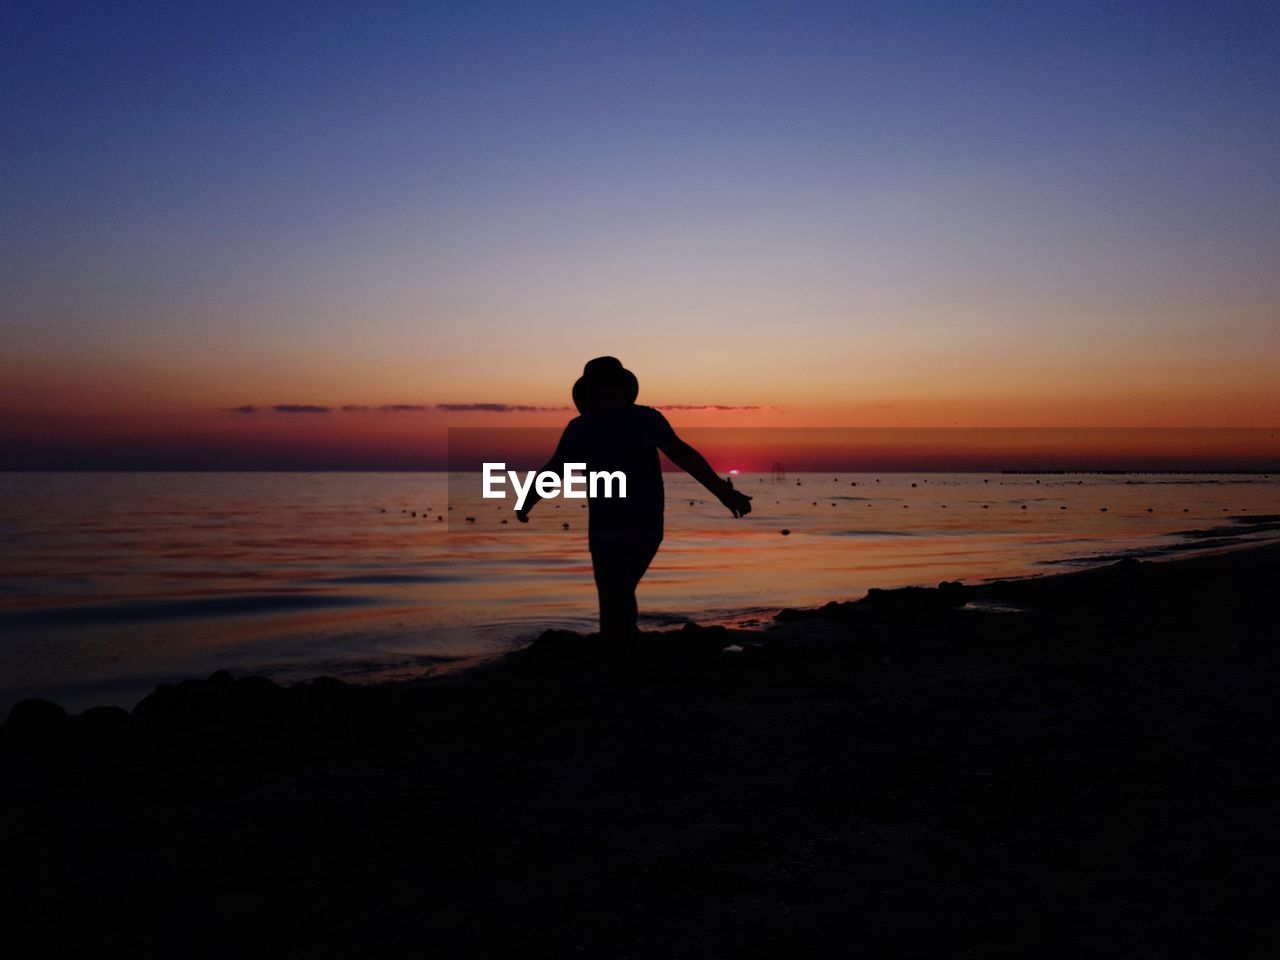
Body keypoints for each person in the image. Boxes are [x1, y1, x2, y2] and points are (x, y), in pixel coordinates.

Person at [517, 357, 752, 644]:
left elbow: (683, 455)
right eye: (601, 390)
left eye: (610, 389)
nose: (606, 395)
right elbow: (556, 469)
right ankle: (622, 643)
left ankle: (619, 647)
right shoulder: (591, 426)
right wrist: (528, 500)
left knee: (616, 588)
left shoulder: (631, 421)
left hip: (638, 519)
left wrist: (724, 492)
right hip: (617, 521)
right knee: (617, 588)